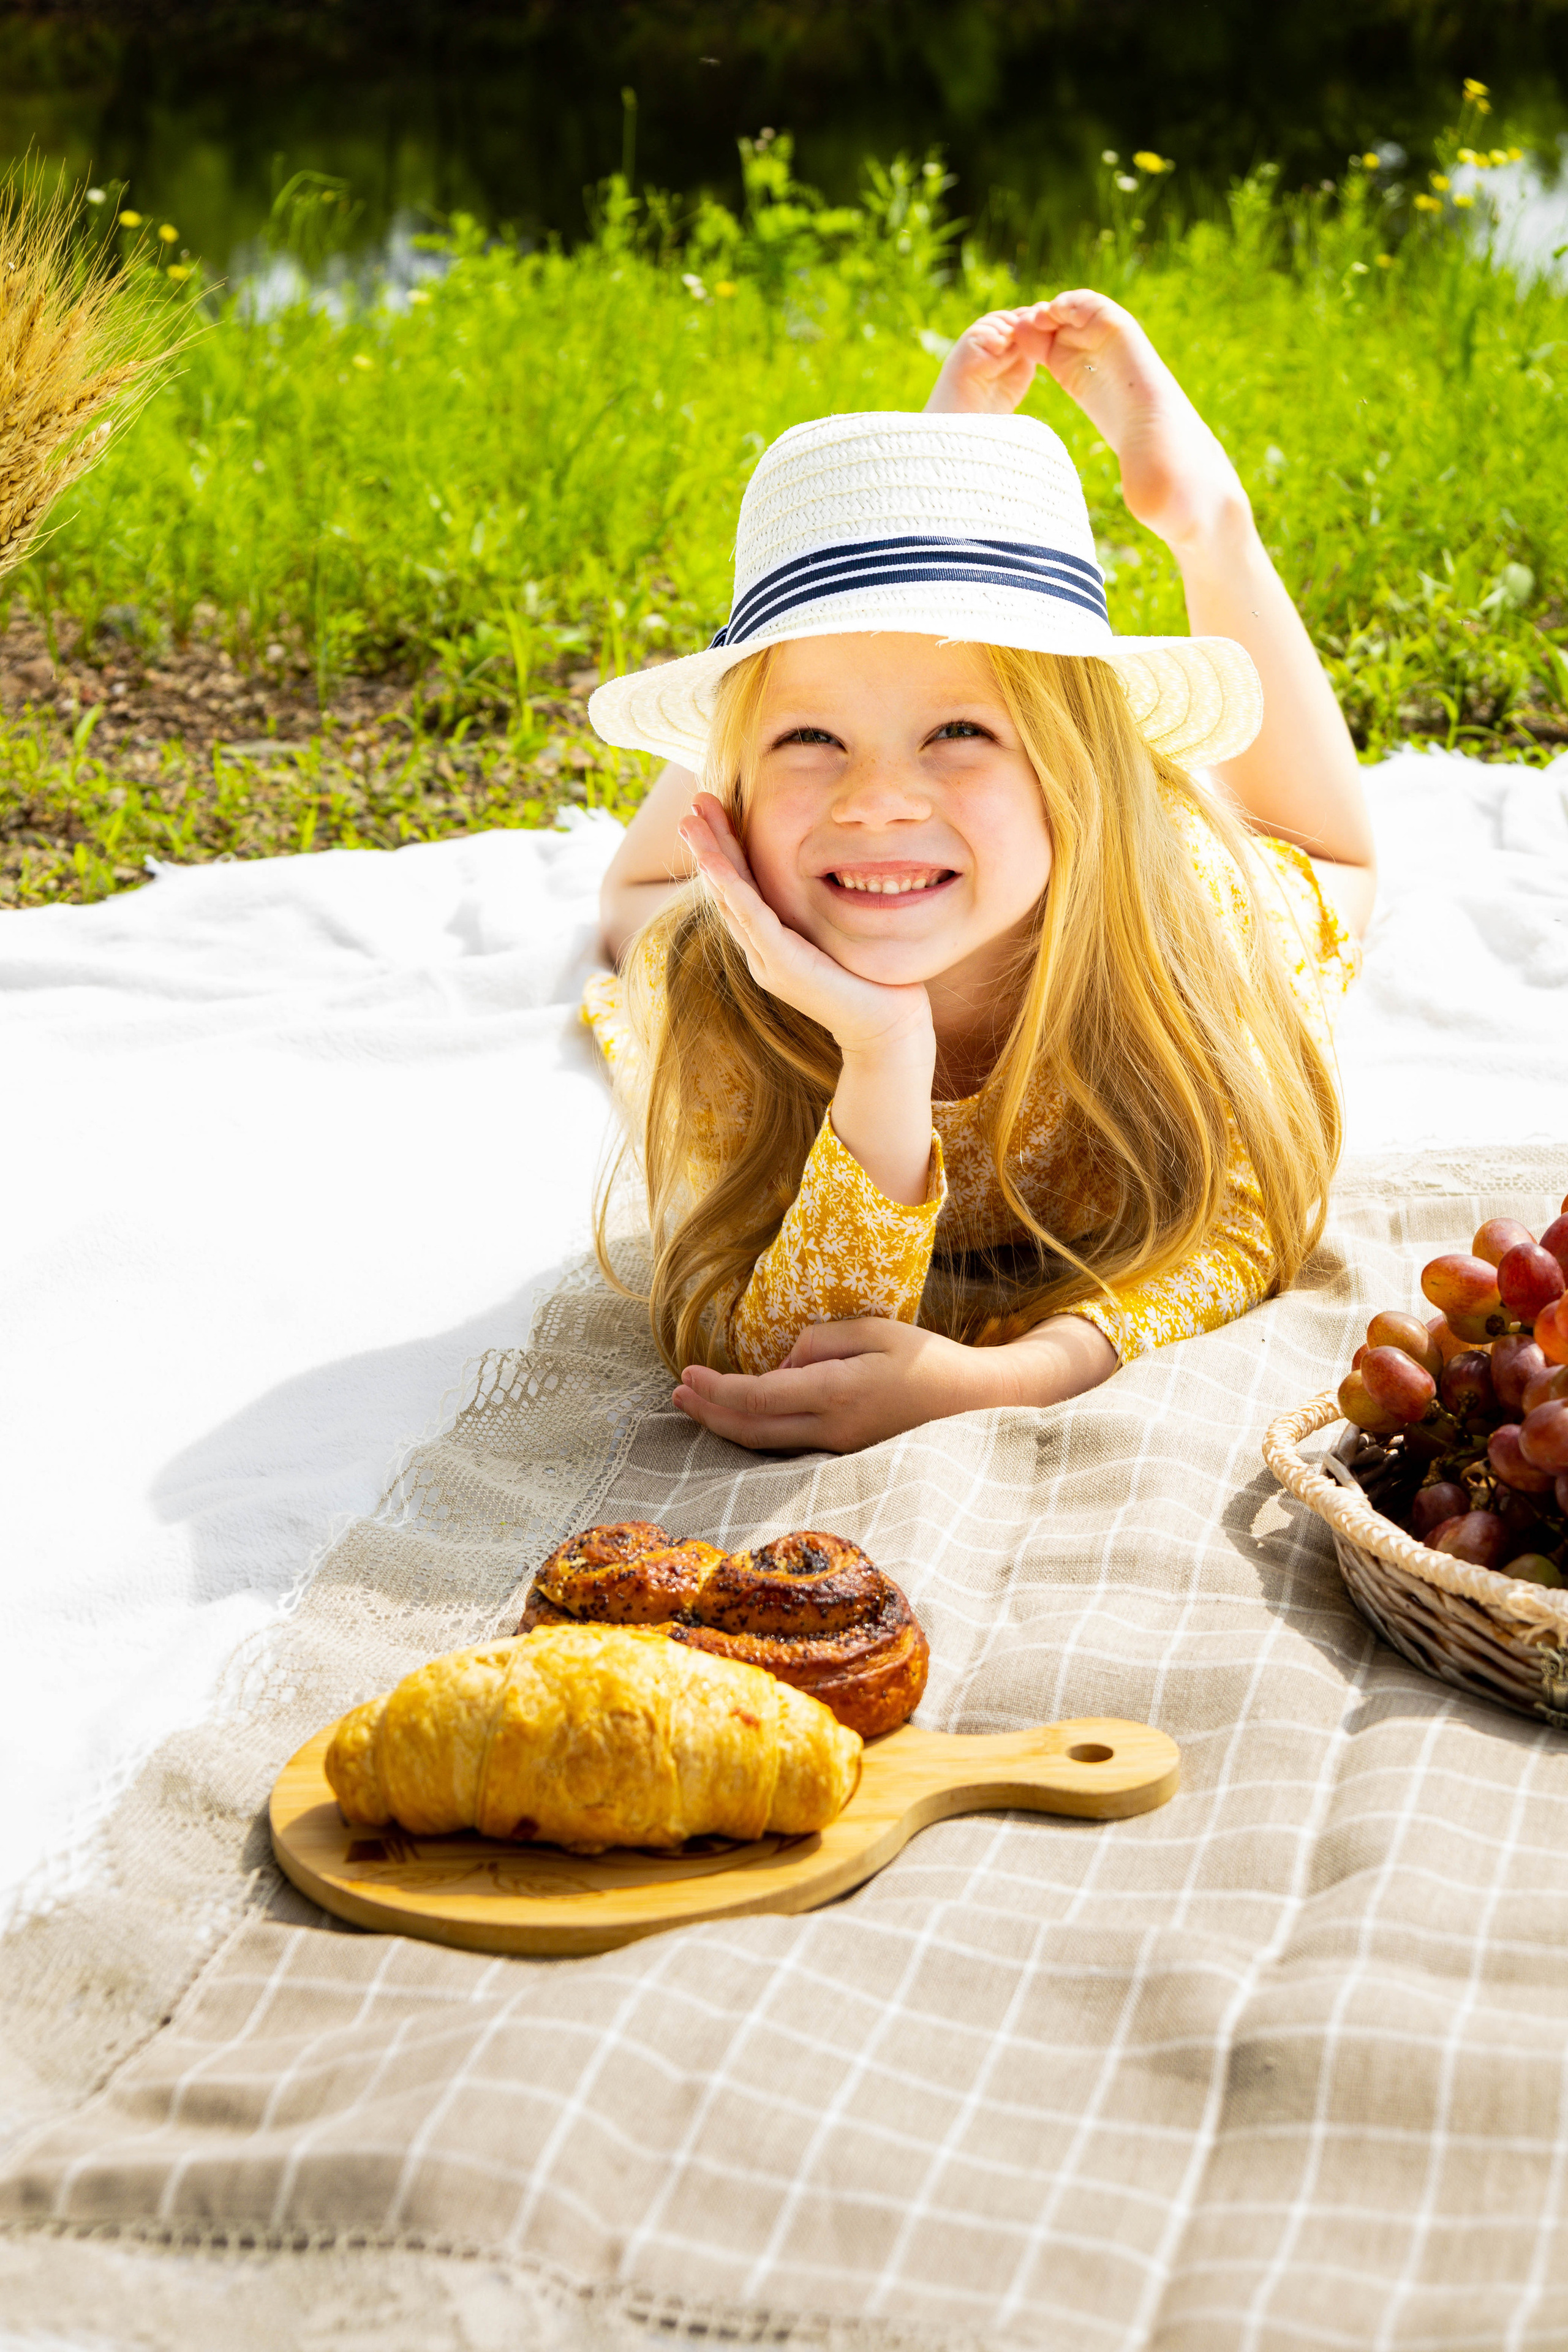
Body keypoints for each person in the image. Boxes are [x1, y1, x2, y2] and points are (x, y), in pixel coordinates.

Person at [585, 291, 1376, 1455]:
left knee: (1333, 872)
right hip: (767, 891)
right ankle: (901, 529)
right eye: (810, 743)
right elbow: (764, 1349)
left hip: (1137, 898)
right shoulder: (716, 995)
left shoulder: (1181, 933)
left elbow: (1257, 1210)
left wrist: (1021, 1372)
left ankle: (1207, 518)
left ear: (1079, 780)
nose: (878, 800)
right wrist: (880, 1053)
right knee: (634, 912)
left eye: (962, 733)